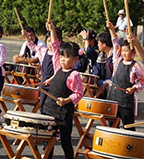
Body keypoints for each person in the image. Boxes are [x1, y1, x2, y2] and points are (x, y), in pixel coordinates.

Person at [42, 21, 83, 159]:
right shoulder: (58, 67)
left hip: (64, 112)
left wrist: (66, 100)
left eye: (67, 57)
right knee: (47, 139)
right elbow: (55, 47)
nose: (63, 60)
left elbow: (78, 93)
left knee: (65, 141)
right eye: (62, 56)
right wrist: (52, 29)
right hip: (49, 108)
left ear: (75, 59)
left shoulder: (74, 75)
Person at [106, 21, 144, 130]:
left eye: (126, 51)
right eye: (122, 51)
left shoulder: (135, 66)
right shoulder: (118, 60)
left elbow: (141, 81)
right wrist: (111, 30)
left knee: (128, 124)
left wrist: (133, 88)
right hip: (113, 96)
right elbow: (115, 43)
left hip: (126, 100)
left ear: (133, 53)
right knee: (112, 124)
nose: (123, 53)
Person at [24, 27, 63, 112]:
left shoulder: (58, 56)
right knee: (42, 104)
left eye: (51, 41)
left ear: (59, 42)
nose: (50, 44)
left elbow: (58, 71)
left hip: (53, 84)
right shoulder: (43, 51)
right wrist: (26, 36)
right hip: (43, 82)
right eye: (48, 41)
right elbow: (32, 46)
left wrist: (51, 79)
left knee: (51, 106)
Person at [92, 31, 113, 98]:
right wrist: (94, 81)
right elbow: (96, 70)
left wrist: (105, 85)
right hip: (103, 81)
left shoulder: (115, 57)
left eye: (99, 43)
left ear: (104, 44)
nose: (97, 45)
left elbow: (116, 77)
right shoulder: (101, 55)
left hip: (112, 82)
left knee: (111, 84)